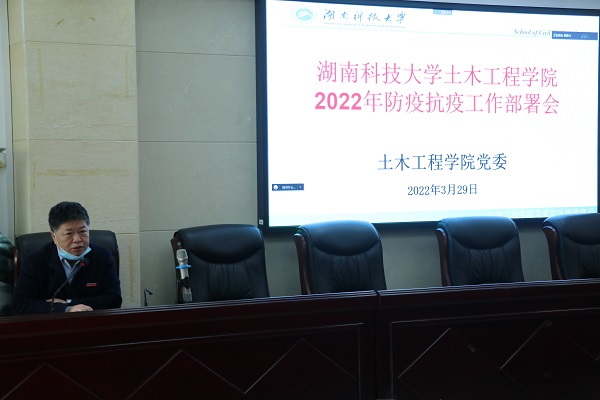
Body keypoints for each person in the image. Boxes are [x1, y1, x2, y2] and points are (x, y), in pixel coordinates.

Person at [12, 201, 122, 315]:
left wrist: (69, 303)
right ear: (54, 237)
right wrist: (65, 309)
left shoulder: (102, 256)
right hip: (51, 324)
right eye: (69, 234)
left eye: (82, 231)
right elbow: (19, 305)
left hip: (91, 322)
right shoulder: (35, 261)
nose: (77, 239)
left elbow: (114, 300)